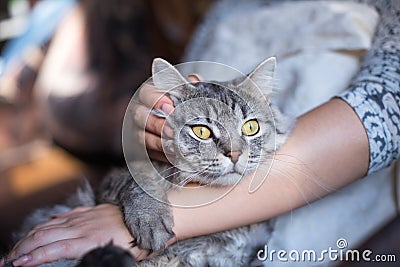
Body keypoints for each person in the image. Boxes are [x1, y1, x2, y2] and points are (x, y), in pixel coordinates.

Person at [3, 0, 400, 266]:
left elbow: (378, 119)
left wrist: (165, 211)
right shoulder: (225, 7)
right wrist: (152, 129)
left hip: (315, 214)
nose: (233, 150)